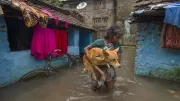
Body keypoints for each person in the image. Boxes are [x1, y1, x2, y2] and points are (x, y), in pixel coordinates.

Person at [84, 24, 124, 90]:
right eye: (117, 37)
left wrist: (114, 60)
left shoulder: (117, 44)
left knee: (110, 88)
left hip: (109, 68)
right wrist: (90, 58)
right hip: (97, 68)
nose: (119, 39)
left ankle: (109, 81)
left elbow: (118, 60)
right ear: (112, 35)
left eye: (120, 37)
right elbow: (86, 49)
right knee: (95, 87)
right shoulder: (99, 42)